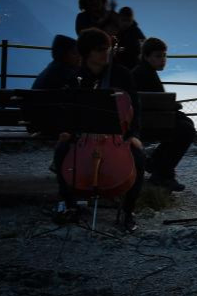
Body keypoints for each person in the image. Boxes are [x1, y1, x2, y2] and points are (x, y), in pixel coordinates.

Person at [50, 28, 146, 232]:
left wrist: (133, 135)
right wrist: (66, 130)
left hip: (118, 135)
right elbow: (68, 111)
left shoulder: (122, 74)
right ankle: (68, 204)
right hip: (83, 136)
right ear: (87, 52)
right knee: (61, 151)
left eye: (108, 48)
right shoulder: (75, 77)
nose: (106, 53)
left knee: (138, 157)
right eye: (100, 49)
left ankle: (128, 211)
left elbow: (135, 108)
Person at [131, 37, 191, 192]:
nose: (163, 59)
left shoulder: (143, 70)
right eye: (158, 56)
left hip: (149, 119)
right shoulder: (145, 73)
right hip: (148, 123)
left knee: (185, 125)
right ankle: (162, 173)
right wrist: (174, 106)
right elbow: (157, 102)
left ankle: (157, 165)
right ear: (146, 56)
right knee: (186, 129)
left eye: (164, 55)